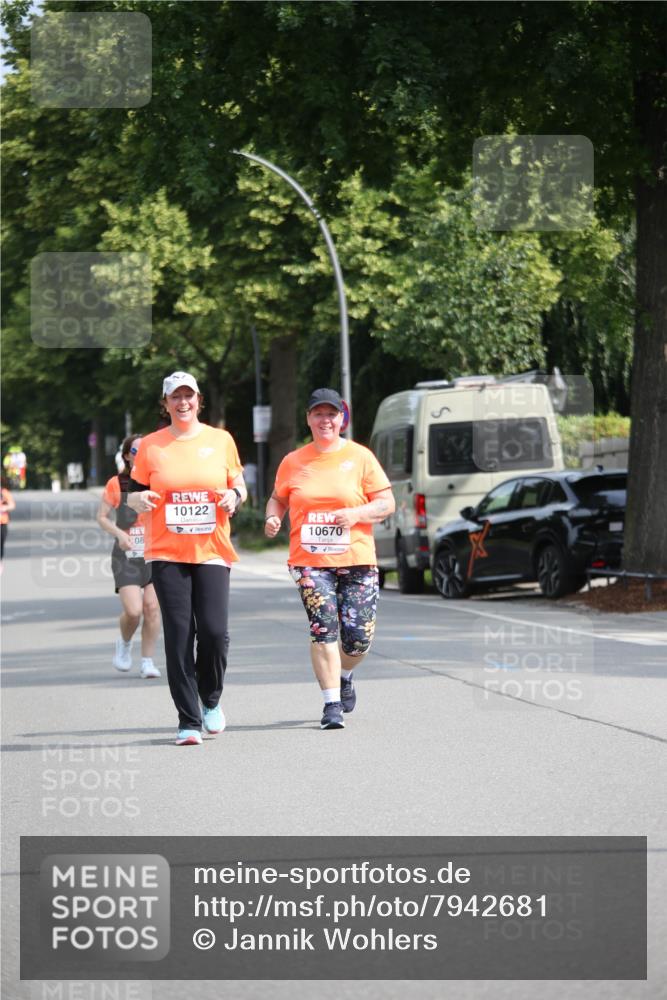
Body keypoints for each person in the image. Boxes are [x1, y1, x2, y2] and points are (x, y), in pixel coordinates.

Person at [127, 372, 248, 746]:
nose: (183, 403)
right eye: (175, 397)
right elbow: (132, 493)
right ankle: (188, 720)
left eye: (189, 396)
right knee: (180, 634)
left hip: (211, 549)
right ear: (164, 404)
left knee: (213, 631)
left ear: (199, 400)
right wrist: (139, 500)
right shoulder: (151, 445)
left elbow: (239, 485)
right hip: (166, 550)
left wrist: (235, 498)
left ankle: (210, 699)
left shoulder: (221, 440)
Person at [265, 388, 395, 730]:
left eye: (331, 414)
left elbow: (386, 504)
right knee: (323, 627)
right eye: (318, 414)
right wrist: (272, 518)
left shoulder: (361, 457)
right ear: (308, 418)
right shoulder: (294, 461)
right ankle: (331, 704)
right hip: (309, 562)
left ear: (342, 418)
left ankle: (346, 674)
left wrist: (356, 513)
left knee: (358, 638)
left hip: (357, 560)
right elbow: (277, 499)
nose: (325, 420)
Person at [97, 434, 161, 679]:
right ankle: (124, 642)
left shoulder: (159, 480)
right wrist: (118, 534)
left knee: (152, 607)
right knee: (134, 611)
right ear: (126, 456)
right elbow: (102, 517)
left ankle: (147, 661)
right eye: (136, 451)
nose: (141, 454)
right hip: (126, 554)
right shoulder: (116, 483)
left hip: (155, 552)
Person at [1, 476, 17, 564]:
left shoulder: (4, 493)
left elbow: (12, 505)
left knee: (1, 543)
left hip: (3, 522)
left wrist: (5, 507)